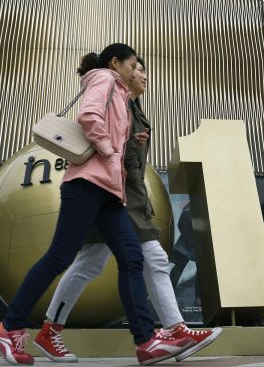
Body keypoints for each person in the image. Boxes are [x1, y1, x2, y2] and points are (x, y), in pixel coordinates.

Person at [0, 44, 194, 366]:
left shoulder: (123, 96)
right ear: (117, 63)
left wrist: (126, 145)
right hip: (86, 185)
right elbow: (88, 116)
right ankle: (8, 327)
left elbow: (110, 131)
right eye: (133, 64)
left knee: (131, 259)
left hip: (110, 193)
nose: (137, 70)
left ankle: (146, 341)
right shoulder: (105, 78)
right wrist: (109, 149)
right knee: (59, 257)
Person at [33, 58, 222, 363]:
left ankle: (50, 329)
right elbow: (97, 133)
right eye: (139, 68)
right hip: (109, 194)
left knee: (92, 263)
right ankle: (174, 330)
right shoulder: (112, 95)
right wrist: (119, 149)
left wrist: (134, 144)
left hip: (125, 196)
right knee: (147, 259)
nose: (144, 75)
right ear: (122, 69)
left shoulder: (135, 110)